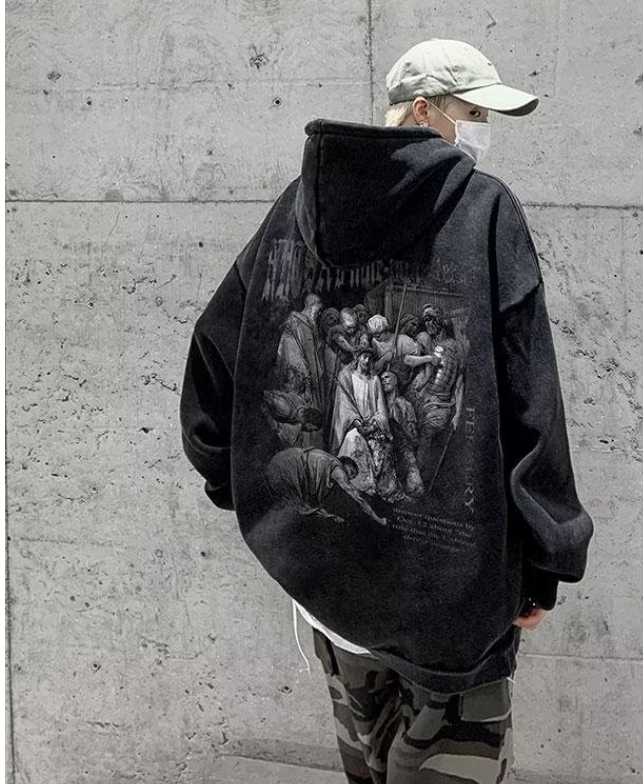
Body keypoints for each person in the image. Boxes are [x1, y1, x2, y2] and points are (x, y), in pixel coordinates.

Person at [180, 37, 593, 784]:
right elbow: (531, 397)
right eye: (474, 114)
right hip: (450, 602)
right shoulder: (484, 209)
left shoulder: (297, 207)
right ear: (425, 110)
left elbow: (215, 351)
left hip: (328, 585)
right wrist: (545, 561)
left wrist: (238, 482)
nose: (482, 133)